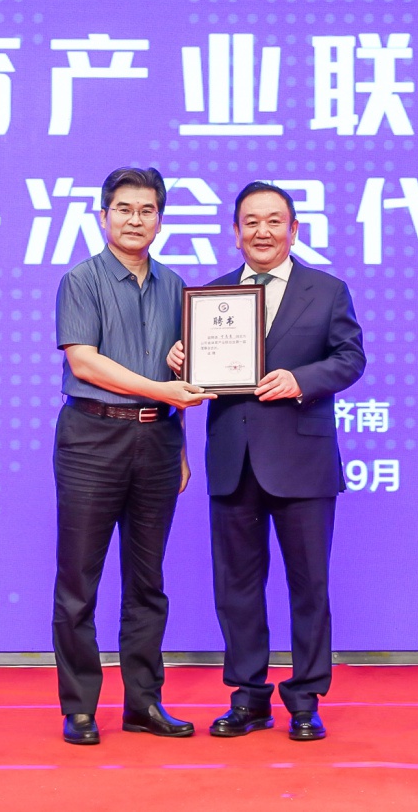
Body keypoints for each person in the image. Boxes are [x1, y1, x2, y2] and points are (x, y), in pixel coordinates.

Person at [167, 181, 365, 742]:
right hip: (234, 460)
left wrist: (301, 379)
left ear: (293, 230)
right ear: (235, 233)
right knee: (237, 588)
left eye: (274, 221)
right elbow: (195, 379)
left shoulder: (327, 290)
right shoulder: (211, 297)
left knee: (310, 587)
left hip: (302, 460)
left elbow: (350, 359)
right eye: (250, 222)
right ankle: (249, 698)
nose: (262, 231)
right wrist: (181, 359)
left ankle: (305, 700)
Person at [52, 166, 212, 746]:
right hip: (92, 438)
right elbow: (85, 362)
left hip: (159, 441)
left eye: (147, 210)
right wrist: (162, 390)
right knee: (80, 581)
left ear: (160, 220)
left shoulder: (176, 286)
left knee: (148, 582)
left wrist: (181, 444)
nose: (135, 220)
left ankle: (144, 703)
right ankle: (79, 709)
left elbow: (182, 374)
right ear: (103, 216)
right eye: (124, 209)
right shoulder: (81, 280)